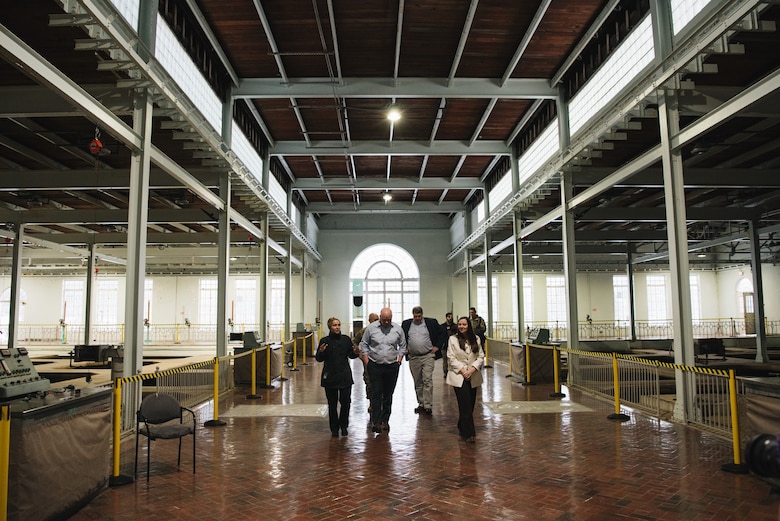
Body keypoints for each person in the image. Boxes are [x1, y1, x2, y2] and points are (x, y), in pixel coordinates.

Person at [359, 307, 406, 434]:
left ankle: (386, 420)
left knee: (388, 394)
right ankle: (377, 422)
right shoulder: (371, 328)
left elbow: (402, 345)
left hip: (392, 366)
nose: (386, 322)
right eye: (384, 320)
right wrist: (366, 361)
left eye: (389, 320)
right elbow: (363, 344)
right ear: (380, 317)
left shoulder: (397, 329)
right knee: (376, 393)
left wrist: (399, 360)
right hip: (375, 365)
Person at [316, 317, 359, 437]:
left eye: (339, 325)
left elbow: (351, 355)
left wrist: (355, 352)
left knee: (346, 403)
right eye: (334, 325)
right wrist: (321, 351)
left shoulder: (346, 340)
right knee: (332, 404)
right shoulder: (325, 340)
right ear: (330, 327)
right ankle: (334, 428)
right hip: (330, 377)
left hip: (344, 376)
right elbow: (319, 359)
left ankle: (344, 425)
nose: (337, 327)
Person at [446, 316, 485, 443]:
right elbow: (451, 358)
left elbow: (480, 356)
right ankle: (469, 433)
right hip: (459, 376)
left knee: (471, 404)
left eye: (464, 324)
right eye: (460, 324)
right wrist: (463, 370)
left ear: (469, 326)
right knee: (465, 404)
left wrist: (472, 369)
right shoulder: (453, 339)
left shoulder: (476, 339)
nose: (462, 326)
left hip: (473, 375)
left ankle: (462, 424)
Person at [401, 306, 444, 416]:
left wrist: (437, 347)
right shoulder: (406, 324)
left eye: (419, 316)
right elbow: (401, 337)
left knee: (427, 379)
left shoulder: (431, 323)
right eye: (415, 316)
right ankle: (421, 403)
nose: (417, 318)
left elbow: (443, 334)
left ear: (422, 315)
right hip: (413, 357)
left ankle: (428, 405)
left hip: (428, 356)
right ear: (412, 315)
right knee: (418, 381)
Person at [353, 312, 379, 412]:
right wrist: (358, 353)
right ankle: (372, 403)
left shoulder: (382, 331)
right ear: (369, 321)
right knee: (369, 383)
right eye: (374, 320)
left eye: (377, 319)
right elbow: (355, 341)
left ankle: (379, 404)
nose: (376, 322)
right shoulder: (364, 332)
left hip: (380, 362)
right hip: (368, 362)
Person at [441, 312, 457, 377]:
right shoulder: (442, 326)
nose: (450, 318)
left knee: (453, 359)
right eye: (449, 317)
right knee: (445, 360)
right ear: (446, 317)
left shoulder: (455, 326)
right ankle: (445, 372)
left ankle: (453, 371)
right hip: (445, 346)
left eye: (451, 317)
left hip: (453, 346)